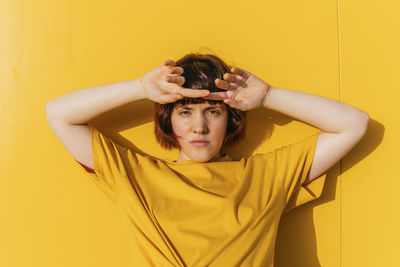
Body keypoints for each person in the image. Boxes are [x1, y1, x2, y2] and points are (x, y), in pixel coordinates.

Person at [45, 53, 369, 266]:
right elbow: (59, 115)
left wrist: (269, 96)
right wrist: (139, 88)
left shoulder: (267, 175)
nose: (199, 127)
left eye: (212, 112)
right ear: (168, 120)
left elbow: (353, 125)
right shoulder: (134, 173)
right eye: (185, 112)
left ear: (229, 120)